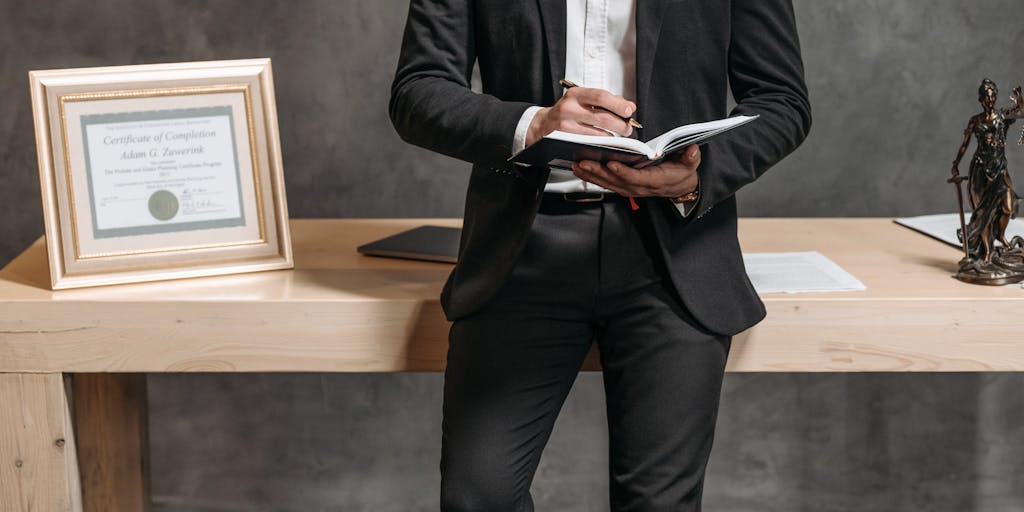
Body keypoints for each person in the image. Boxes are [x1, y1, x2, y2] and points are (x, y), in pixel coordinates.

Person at [390, 1, 811, 510]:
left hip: (675, 252)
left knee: (659, 503)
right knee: (478, 497)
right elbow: (418, 90)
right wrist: (535, 124)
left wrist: (700, 172)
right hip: (521, 246)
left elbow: (781, 99)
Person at [952, 79, 1024, 269]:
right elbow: (965, 144)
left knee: (1008, 207)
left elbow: (1021, 112)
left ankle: (1000, 235)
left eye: (993, 96)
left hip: (999, 169)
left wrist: (1019, 98)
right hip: (981, 170)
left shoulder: (1002, 117)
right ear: (981, 99)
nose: (990, 100)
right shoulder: (975, 121)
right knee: (983, 212)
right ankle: (987, 251)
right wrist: (955, 164)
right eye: (986, 97)